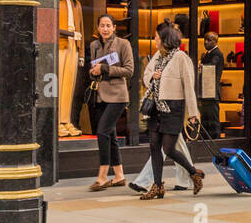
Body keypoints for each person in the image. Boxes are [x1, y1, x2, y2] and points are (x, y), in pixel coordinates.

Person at [137, 21, 204, 200]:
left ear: (165, 39)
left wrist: (193, 114)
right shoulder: (157, 56)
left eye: (157, 37)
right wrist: (152, 76)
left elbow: (189, 87)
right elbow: (145, 76)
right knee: (154, 146)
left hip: (173, 107)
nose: (155, 40)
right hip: (155, 108)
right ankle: (157, 186)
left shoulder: (181, 58)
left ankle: (193, 173)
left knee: (168, 148)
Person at [87, 14, 134, 190]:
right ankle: (120, 175)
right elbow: (91, 71)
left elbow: (129, 70)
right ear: (98, 28)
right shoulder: (94, 45)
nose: (105, 29)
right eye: (102, 26)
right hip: (100, 95)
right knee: (111, 135)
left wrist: (105, 68)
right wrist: (94, 71)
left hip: (118, 96)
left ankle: (102, 176)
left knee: (102, 132)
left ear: (114, 27)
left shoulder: (123, 44)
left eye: (108, 25)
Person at [196, 31, 225, 140]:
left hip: (212, 92)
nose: (205, 42)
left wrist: (200, 65)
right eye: (205, 40)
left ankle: (215, 140)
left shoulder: (217, 53)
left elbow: (211, 67)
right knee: (205, 119)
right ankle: (206, 139)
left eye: (209, 40)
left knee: (213, 119)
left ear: (215, 41)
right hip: (206, 91)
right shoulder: (207, 54)